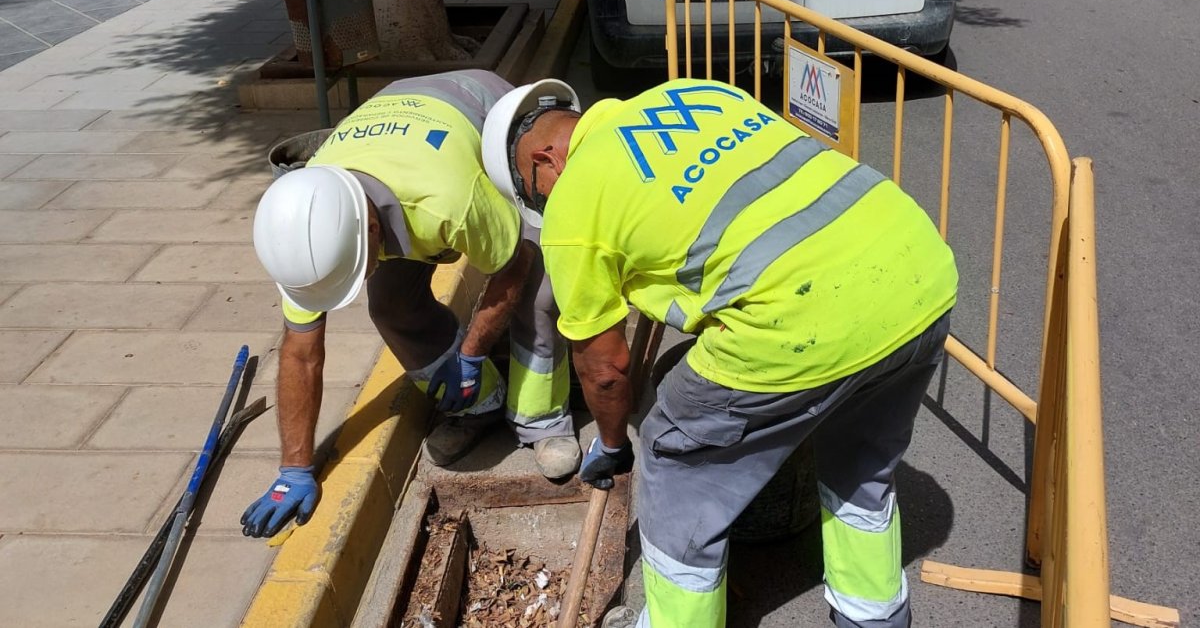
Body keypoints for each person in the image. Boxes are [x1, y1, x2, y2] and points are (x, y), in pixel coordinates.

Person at [482, 78, 958, 627]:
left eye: (535, 195)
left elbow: (605, 370)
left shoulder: (574, 203)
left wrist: (613, 445)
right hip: (917, 273)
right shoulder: (694, 92)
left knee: (673, 459)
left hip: (802, 322)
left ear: (544, 160)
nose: (545, 203)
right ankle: (874, 615)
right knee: (860, 463)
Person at [241, 70, 581, 539]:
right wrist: (294, 467)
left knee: (537, 289)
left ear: (373, 231)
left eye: (356, 268)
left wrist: (471, 353)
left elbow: (512, 267)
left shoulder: (448, 201)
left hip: (480, 113)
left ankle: (542, 420)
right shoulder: (303, 226)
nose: (357, 279)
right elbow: (301, 355)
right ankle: (478, 407)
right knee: (390, 305)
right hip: (396, 135)